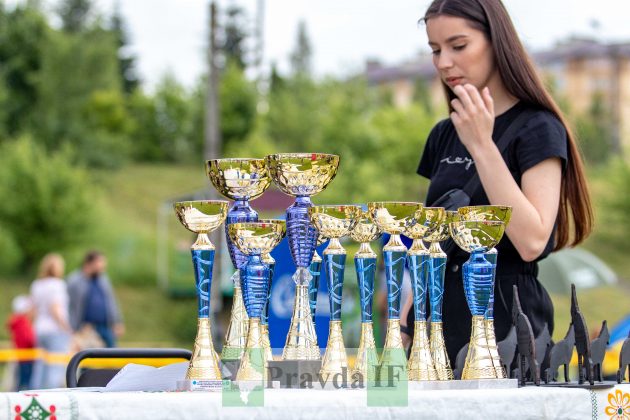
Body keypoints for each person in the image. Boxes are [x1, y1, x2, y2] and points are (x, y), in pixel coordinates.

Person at [400, 0, 593, 367]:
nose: (444, 63)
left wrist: (481, 145)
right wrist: (405, 326)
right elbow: (431, 243)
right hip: (435, 329)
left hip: (506, 328)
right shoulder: (443, 134)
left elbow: (532, 241)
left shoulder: (537, 127)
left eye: (458, 46)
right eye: (435, 50)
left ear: (497, 42)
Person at [30, 253, 72, 389]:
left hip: (39, 329)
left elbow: (33, 309)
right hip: (55, 329)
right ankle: (52, 399)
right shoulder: (57, 285)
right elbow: (55, 309)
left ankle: (35, 395)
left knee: (40, 367)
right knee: (55, 367)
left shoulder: (37, 284)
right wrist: (66, 327)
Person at [67, 251, 124, 348]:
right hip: (86, 329)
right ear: (89, 263)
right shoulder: (74, 281)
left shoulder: (103, 279)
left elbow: (111, 301)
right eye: (100, 262)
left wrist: (117, 321)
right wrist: (75, 327)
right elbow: (70, 306)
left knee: (112, 356)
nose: (103, 266)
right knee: (87, 359)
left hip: (105, 327)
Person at [7, 295, 36, 390]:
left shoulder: (16, 321)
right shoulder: (22, 322)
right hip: (27, 354)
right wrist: (34, 344)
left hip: (21, 354)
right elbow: (28, 338)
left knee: (20, 378)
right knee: (25, 379)